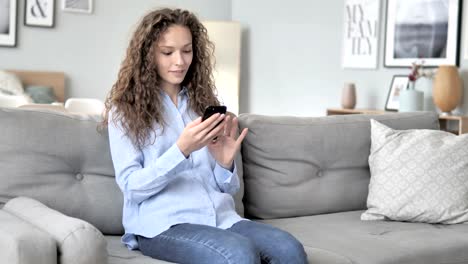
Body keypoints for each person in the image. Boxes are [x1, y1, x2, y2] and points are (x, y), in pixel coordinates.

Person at [102, 8, 308, 264]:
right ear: (148, 55)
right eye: (167, 52)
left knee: (290, 250)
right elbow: (133, 189)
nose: (179, 61)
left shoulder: (204, 103)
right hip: (163, 224)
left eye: (187, 51)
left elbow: (227, 188)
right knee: (239, 255)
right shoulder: (125, 111)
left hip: (221, 219)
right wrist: (181, 150)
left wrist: (224, 164)